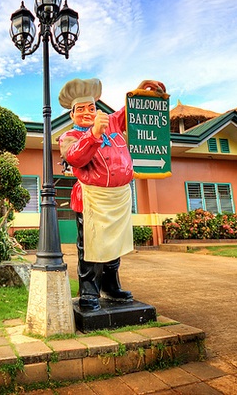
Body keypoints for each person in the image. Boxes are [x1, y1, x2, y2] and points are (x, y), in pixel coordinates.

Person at [58, 78, 166, 311]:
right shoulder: (69, 137)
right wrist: (94, 133)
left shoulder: (113, 124)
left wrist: (143, 93)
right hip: (93, 199)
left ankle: (110, 285)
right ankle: (89, 290)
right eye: (81, 110)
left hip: (119, 197)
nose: (87, 113)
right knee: (91, 247)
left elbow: (132, 112)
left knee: (114, 245)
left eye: (91, 108)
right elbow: (75, 157)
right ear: (72, 115)